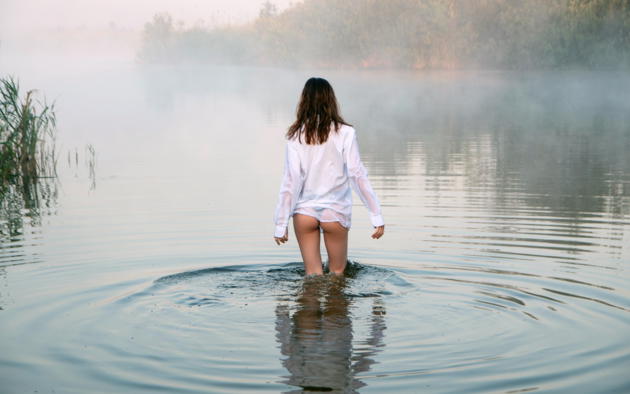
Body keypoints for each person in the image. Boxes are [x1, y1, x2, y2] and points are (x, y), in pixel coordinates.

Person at [273, 77, 385, 276]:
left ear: (303, 102)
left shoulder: (295, 136)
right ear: (331, 101)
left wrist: (281, 223)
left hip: (304, 212)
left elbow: (291, 182)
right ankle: (336, 305)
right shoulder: (346, 133)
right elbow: (357, 174)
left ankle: (309, 304)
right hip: (335, 212)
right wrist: (375, 214)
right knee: (337, 273)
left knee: (312, 274)